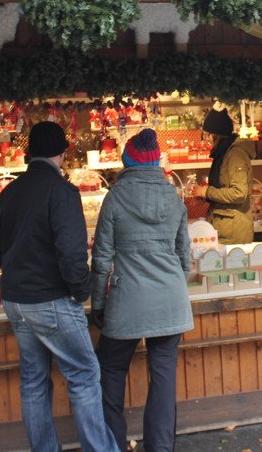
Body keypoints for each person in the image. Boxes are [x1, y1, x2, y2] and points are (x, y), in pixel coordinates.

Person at [0, 120, 119, 452]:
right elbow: (72, 254)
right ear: (62, 153)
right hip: (52, 299)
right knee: (84, 376)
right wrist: (82, 289)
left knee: (33, 382)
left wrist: (19, 270)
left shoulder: (9, 192)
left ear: (29, 153)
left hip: (16, 300)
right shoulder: (62, 192)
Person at [91, 128, 194, 452]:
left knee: (109, 370)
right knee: (163, 377)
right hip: (170, 301)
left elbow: (101, 259)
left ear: (128, 162)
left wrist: (98, 305)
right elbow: (184, 259)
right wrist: (173, 286)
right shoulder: (174, 199)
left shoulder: (115, 198)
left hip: (128, 301)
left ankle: (112, 444)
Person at [194, 108, 255, 243]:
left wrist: (207, 192)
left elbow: (239, 193)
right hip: (225, 227)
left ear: (216, 135)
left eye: (207, 135)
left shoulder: (235, 155)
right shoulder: (223, 153)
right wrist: (206, 196)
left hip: (233, 232)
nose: (207, 139)